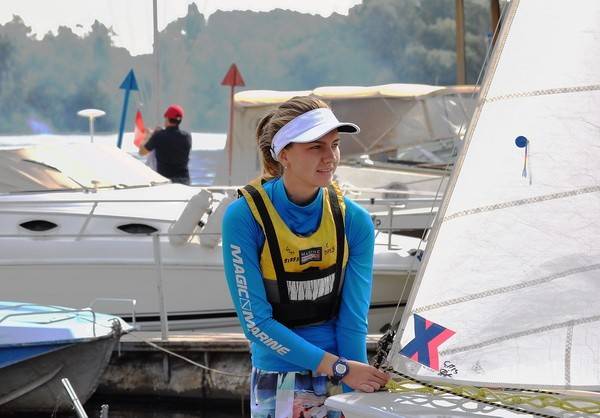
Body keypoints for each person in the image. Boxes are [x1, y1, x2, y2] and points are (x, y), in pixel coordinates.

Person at [221, 96, 389, 418]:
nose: (330, 157)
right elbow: (256, 324)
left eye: (335, 145)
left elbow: (353, 321)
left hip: (342, 370)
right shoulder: (244, 217)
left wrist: (355, 395)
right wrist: (339, 368)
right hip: (281, 373)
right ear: (284, 154)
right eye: (315, 147)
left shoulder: (354, 221)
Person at [138, 104, 192, 185]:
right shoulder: (187, 137)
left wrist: (149, 136)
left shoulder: (159, 136)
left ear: (167, 118)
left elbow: (142, 152)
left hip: (165, 182)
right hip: (184, 182)